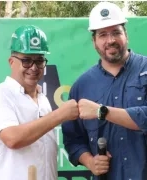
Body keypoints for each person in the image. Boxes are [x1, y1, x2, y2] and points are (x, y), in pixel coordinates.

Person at [61, 2, 147, 180]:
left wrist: (101, 111)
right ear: (94, 42)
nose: (110, 40)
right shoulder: (81, 86)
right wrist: (90, 161)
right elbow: (73, 139)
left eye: (116, 32)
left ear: (126, 35)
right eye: (102, 34)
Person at [0, 25, 79, 180]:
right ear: (11, 62)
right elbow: (12, 138)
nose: (34, 67)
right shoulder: (1, 94)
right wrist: (60, 115)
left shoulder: (43, 99)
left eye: (39, 61)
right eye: (26, 60)